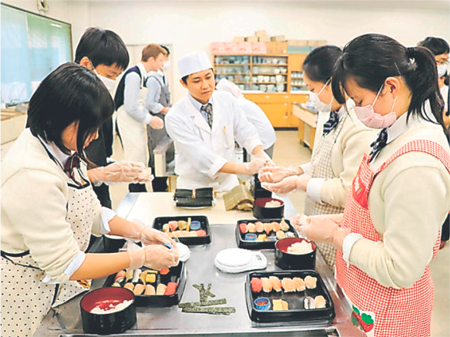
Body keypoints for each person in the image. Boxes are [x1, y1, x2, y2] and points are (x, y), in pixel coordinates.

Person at [1, 63, 179, 337]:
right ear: (57, 117)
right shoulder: (30, 173)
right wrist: (139, 257)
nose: (95, 135)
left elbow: (92, 213)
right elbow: (67, 264)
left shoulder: (63, 149)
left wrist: (141, 232)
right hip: (26, 298)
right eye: (89, 127)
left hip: (61, 291)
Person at [292, 34, 450, 337]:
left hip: (389, 313)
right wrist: (332, 221)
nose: (358, 110)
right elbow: (375, 216)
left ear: (391, 86)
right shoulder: (393, 132)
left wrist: (336, 236)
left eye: (360, 101)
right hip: (362, 296)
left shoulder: (417, 164)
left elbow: (399, 267)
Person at [259, 46, 376, 269]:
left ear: (333, 82)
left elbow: (349, 190)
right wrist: (294, 171)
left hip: (338, 227)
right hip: (316, 218)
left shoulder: (358, 125)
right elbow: (321, 162)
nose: (311, 96)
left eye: (312, 89)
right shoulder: (329, 112)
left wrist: (299, 183)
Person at [165, 51, 271, 192]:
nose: (205, 85)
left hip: (228, 184)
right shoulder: (175, 116)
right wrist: (246, 168)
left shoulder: (226, 100)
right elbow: (202, 157)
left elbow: (245, 131)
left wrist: (259, 153)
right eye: (197, 81)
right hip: (194, 187)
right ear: (183, 83)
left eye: (209, 77)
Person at [74, 27, 151, 207]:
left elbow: (101, 153)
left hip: (97, 193)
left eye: (117, 76)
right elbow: (57, 168)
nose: (113, 82)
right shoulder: (63, 100)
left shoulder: (102, 100)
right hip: (71, 199)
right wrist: (98, 174)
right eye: (110, 75)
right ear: (86, 64)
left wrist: (119, 169)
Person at [115, 44, 166, 192]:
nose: (162, 64)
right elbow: (130, 106)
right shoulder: (134, 75)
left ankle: (140, 188)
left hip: (134, 121)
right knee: (135, 159)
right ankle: (136, 192)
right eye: (160, 60)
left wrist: (148, 117)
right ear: (151, 59)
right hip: (127, 120)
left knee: (141, 158)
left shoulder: (142, 75)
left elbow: (139, 104)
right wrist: (150, 119)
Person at [418, 37, 450, 249]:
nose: (442, 67)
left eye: (445, 61)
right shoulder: (416, 90)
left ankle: (441, 238)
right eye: (438, 61)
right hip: (423, 153)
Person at [216, 78, 276, 158]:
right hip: (266, 134)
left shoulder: (237, 104)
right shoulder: (240, 100)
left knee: (263, 164)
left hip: (263, 136)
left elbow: (236, 125)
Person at [145, 45, 174, 192]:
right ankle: (159, 190)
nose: (164, 62)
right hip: (156, 121)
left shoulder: (161, 76)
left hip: (163, 120)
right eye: (162, 59)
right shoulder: (152, 79)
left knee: (165, 154)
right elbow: (149, 103)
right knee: (157, 157)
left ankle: (163, 186)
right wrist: (165, 109)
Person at [418, 37, 449, 123]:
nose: (443, 67)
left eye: (445, 62)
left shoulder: (438, 90)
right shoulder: (415, 87)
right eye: (440, 62)